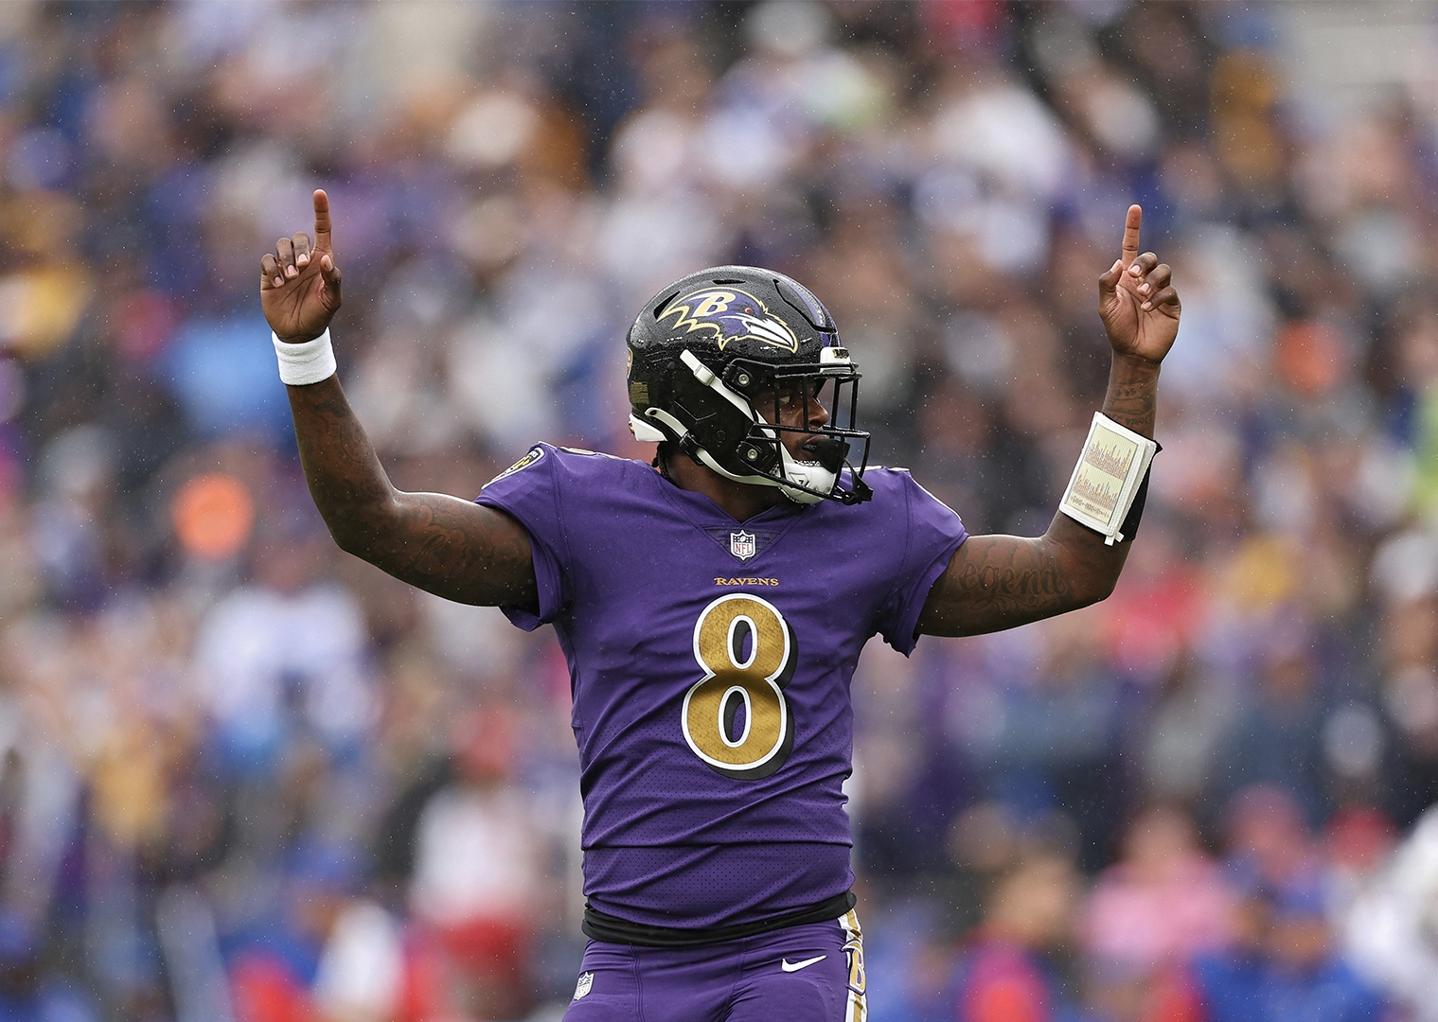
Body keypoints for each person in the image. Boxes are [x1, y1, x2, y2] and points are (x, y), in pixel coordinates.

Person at [257, 189, 1181, 1020]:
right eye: (791, 399)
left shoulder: (868, 523)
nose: (818, 421)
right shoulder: (583, 512)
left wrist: (1132, 376)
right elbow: (370, 519)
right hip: (628, 960)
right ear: (708, 405)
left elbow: (1073, 567)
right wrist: (305, 353)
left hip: (792, 952)